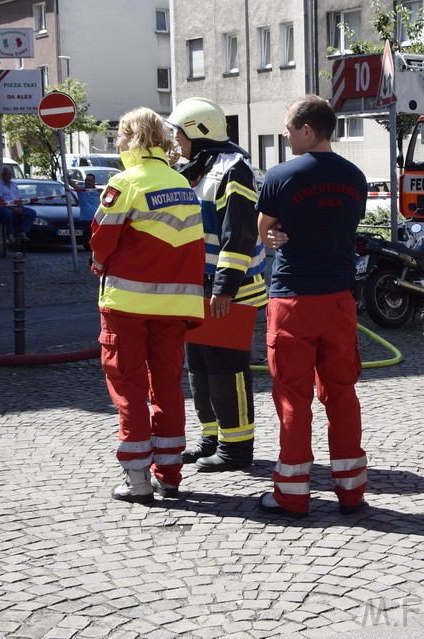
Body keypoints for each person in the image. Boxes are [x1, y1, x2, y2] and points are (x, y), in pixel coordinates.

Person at [256, 95, 367, 518]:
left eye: (288, 129)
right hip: (339, 298)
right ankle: (352, 491)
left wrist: (277, 234)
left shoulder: (281, 176)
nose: (285, 136)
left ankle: (292, 495)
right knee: (341, 394)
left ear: (307, 130)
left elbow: (262, 230)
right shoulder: (355, 176)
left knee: (292, 397)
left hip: (292, 299)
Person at [90, 107, 205, 504]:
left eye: (120, 136)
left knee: (129, 387)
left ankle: (137, 479)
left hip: (127, 305)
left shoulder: (124, 183)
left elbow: (101, 241)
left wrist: (99, 265)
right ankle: (169, 475)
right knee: (168, 387)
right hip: (173, 307)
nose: (118, 144)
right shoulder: (182, 184)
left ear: (134, 138)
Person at [167, 97, 268, 472]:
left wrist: (224, 287)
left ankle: (236, 448)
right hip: (201, 289)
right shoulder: (194, 168)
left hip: (231, 291)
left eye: (179, 133)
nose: (175, 141)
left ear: (198, 131)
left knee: (228, 371)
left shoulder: (233, 169)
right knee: (201, 368)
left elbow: (238, 234)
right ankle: (212, 437)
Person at [0, 167, 38, 245]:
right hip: (4, 206)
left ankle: (22, 231)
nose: (8, 176)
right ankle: (10, 234)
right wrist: (12, 208)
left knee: (32, 212)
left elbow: (19, 198)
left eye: (9, 174)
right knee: (8, 213)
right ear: (2, 175)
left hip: (16, 206)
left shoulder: (14, 185)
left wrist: (20, 206)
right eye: (6, 174)